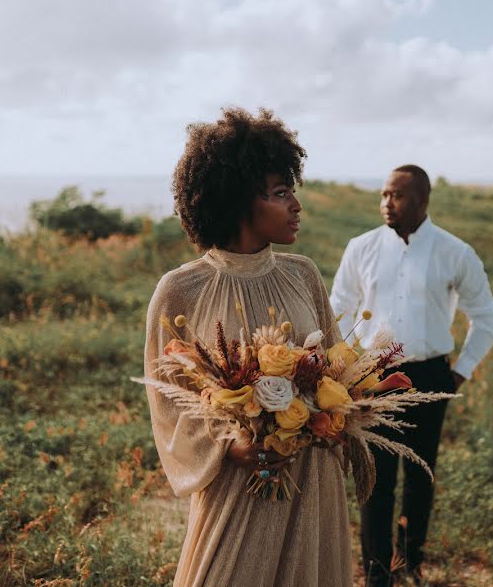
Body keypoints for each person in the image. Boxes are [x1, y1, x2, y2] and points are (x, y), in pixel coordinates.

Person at [143, 107, 352, 586]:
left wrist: (331, 418)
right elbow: (167, 402)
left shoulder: (303, 275)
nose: (296, 205)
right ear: (238, 201)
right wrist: (228, 446)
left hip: (311, 478)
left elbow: (336, 368)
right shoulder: (181, 290)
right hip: (239, 486)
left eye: (291, 189)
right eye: (279, 193)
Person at [329, 165, 493, 585]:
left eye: (397, 196)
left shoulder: (454, 252)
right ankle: (377, 571)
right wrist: (346, 367)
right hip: (373, 375)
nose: (387, 203)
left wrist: (459, 372)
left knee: (421, 475)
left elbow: (485, 316)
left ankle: (411, 562)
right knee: (376, 477)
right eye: (384, 194)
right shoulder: (362, 247)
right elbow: (338, 308)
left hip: (431, 375)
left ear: (423, 201)